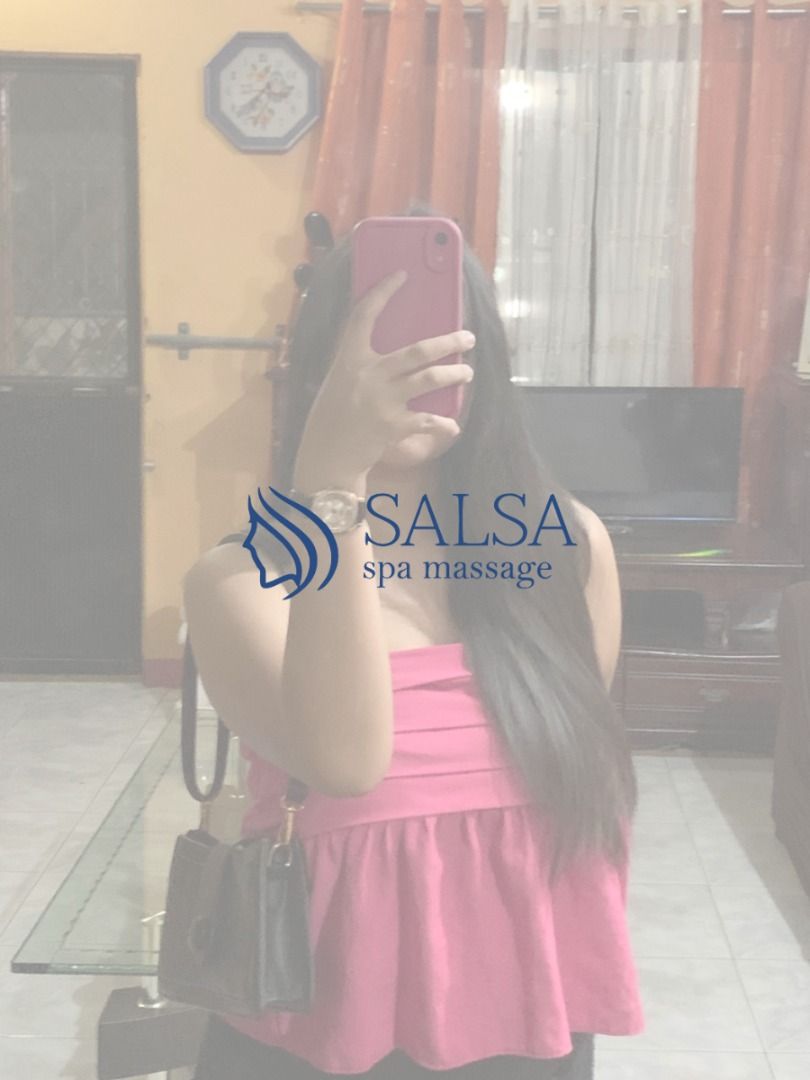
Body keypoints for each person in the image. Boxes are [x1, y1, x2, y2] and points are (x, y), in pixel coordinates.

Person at [182, 206, 644, 1079]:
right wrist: (332, 483)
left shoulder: (567, 549)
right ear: (321, 373)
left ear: (484, 362)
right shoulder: (240, 579)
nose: (411, 365)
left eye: (437, 338)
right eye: (376, 342)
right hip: (320, 1035)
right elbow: (347, 762)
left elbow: (570, 772)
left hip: (530, 1023)